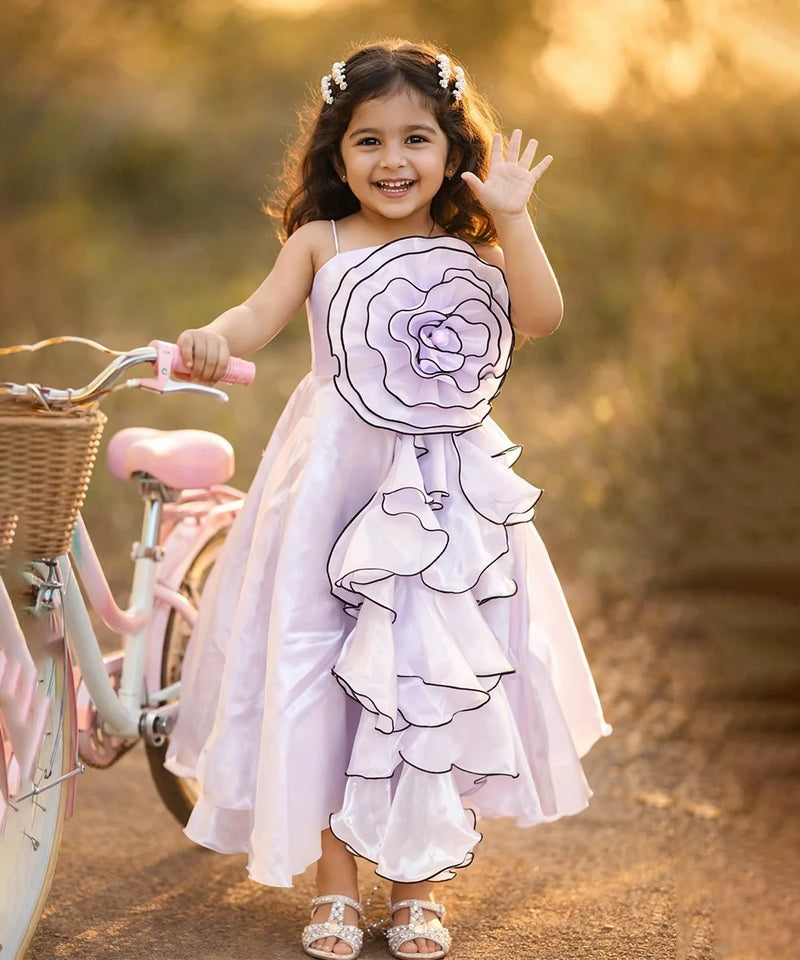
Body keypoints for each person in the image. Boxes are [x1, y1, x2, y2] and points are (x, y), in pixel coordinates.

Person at [166, 39, 611, 960]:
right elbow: (257, 315)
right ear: (336, 153)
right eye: (368, 141)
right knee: (333, 675)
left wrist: (516, 219)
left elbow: (541, 317)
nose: (393, 161)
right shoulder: (319, 241)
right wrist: (213, 334)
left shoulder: (470, 244)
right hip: (335, 485)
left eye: (417, 138)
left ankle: (417, 887)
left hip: (444, 491)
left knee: (422, 683)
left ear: (454, 150)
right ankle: (335, 884)